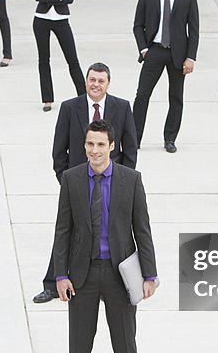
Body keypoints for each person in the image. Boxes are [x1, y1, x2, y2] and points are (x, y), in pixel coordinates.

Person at [44, 119, 157, 353]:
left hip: (119, 275)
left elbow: (142, 230)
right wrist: (60, 275)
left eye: (100, 145)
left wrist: (149, 274)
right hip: (83, 276)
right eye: (89, 144)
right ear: (85, 146)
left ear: (112, 147)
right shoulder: (71, 179)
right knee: (78, 346)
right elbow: (62, 230)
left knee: (125, 346)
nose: (94, 150)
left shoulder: (130, 180)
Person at [32, 63, 138, 304]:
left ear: (108, 84)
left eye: (101, 81)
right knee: (66, 230)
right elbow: (59, 150)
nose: (96, 84)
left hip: (111, 185)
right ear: (85, 81)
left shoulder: (121, 108)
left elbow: (130, 148)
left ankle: (119, 281)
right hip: (79, 185)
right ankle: (52, 283)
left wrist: (123, 184)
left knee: (114, 232)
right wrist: (67, 182)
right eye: (92, 79)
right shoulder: (71, 108)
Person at [132, 0, 199, 153]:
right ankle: (134, 139)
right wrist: (144, 49)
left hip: (178, 54)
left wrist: (190, 57)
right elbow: (138, 25)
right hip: (154, 51)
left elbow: (193, 30)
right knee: (142, 95)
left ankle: (170, 138)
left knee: (176, 97)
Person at [33, 0, 83, 111]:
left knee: (72, 59)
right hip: (41, 19)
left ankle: (83, 95)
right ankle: (47, 99)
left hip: (61, 19)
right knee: (44, 59)